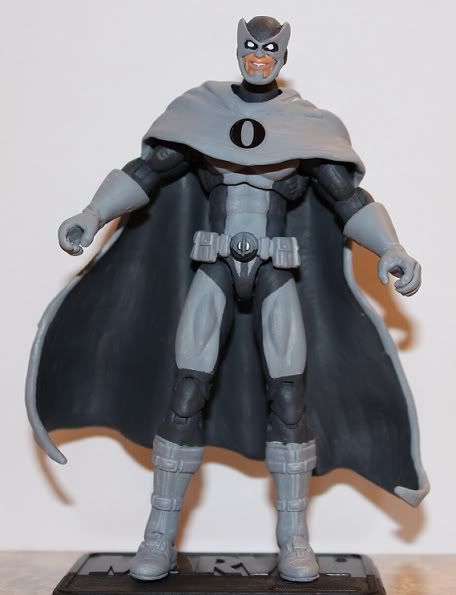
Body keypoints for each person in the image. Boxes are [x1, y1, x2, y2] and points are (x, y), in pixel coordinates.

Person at [26, 16, 429, 583]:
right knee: (186, 390)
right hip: (213, 265)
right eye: (251, 47)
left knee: (290, 396)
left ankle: (294, 540)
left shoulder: (307, 127)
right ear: (239, 50)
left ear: (283, 56)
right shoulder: (202, 113)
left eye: (269, 50)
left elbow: (348, 199)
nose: (259, 57)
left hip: (275, 270)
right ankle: (158, 537)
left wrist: (390, 248)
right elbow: (148, 172)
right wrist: (93, 215)